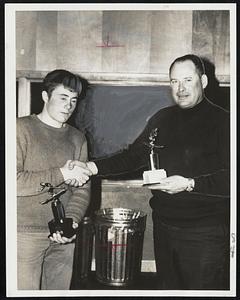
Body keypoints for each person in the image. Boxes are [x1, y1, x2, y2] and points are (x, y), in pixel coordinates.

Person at [69, 54, 230, 290]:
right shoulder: (161, 119)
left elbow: (232, 179)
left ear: (203, 81)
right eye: (175, 81)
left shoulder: (224, 122)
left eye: (187, 80)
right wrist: (91, 167)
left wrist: (189, 183)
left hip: (204, 233)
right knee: (168, 290)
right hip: (164, 227)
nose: (181, 88)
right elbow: (133, 156)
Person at [17, 69, 92, 290]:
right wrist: (62, 173)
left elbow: (83, 189)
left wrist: (71, 222)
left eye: (74, 100)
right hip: (24, 235)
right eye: (63, 97)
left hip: (64, 236)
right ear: (45, 96)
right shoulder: (19, 129)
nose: (69, 105)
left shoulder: (78, 138)